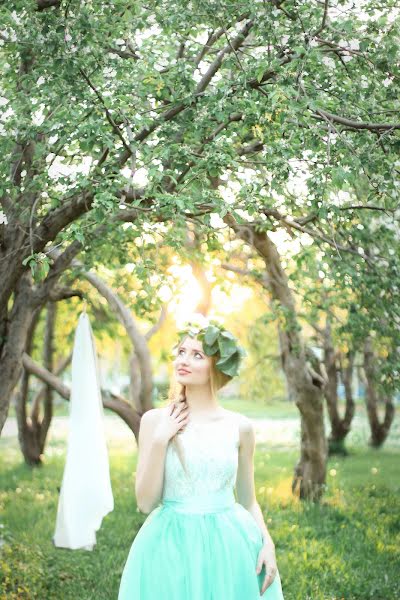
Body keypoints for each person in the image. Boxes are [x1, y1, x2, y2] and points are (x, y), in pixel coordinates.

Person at [118, 317, 285, 599]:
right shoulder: (154, 421)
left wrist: (267, 543)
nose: (184, 360)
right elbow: (145, 503)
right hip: (170, 545)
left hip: (229, 545)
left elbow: (248, 500)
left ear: (216, 366)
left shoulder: (240, 427)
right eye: (181, 352)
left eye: (197, 355)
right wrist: (161, 439)